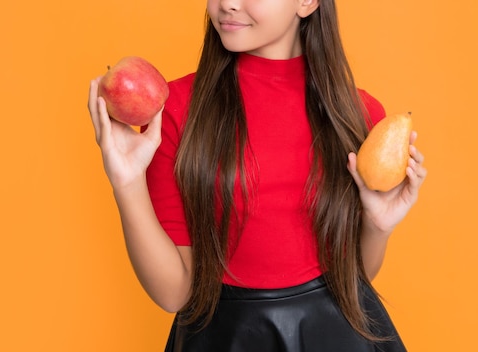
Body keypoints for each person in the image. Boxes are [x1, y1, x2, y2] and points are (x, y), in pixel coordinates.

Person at [87, 0, 427, 351]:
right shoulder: (174, 113)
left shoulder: (357, 116)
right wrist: (127, 182)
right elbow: (175, 295)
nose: (228, 4)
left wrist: (377, 226)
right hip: (227, 339)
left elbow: (357, 279)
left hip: (339, 337)